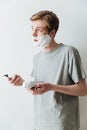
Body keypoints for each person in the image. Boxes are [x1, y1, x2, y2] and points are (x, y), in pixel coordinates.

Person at [8, 10, 87, 130]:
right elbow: (38, 91)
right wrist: (22, 83)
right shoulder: (37, 58)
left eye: (39, 30)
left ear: (52, 33)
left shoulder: (69, 52)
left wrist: (52, 87)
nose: (33, 34)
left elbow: (83, 90)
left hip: (62, 125)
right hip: (40, 124)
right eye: (32, 28)